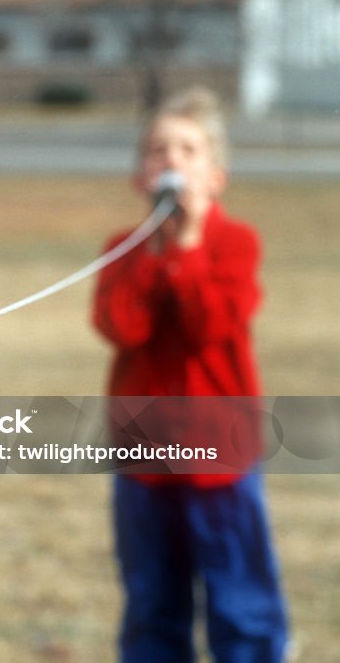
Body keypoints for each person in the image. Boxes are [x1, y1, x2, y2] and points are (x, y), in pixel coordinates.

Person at [91, 87, 288, 662]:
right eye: (157, 149)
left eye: (187, 149)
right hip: (145, 461)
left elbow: (211, 324)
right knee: (152, 600)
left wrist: (190, 246)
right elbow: (121, 327)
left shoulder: (236, 244)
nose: (171, 160)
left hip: (219, 458)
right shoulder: (122, 250)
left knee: (240, 601)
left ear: (216, 175)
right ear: (139, 175)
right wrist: (155, 252)